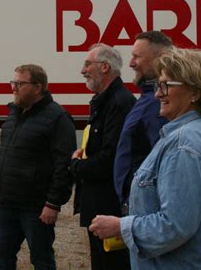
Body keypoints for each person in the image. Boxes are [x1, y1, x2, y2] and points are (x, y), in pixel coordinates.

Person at [89, 48, 201, 269]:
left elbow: (175, 226)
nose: (158, 94)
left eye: (166, 86)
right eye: (158, 85)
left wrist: (121, 227)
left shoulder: (183, 144)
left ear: (195, 93)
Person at [0, 64, 76, 270]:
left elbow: (64, 166)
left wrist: (53, 204)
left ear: (37, 87)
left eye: (20, 84)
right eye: (13, 83)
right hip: (6, 205)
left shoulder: (58, 118)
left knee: (42, 261)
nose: (13, 88)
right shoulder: (13, 115)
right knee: (2, 259)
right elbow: (4, 158)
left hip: (36, 208)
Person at [70, 43, 135, 270]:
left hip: (110, 206)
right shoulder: (104, 101)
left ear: (105, 67)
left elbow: (111, 159)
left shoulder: (119, 102)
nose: (83, 70)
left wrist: (76, 166)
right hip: (98, 204)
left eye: (88, 64)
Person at [114, 31, 173, 211]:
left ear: (160, 58)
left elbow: (166, 162)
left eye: (137, 57)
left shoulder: (159, 103)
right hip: (136, 203)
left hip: (147, 207)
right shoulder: (147, 98)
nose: (131, 63)